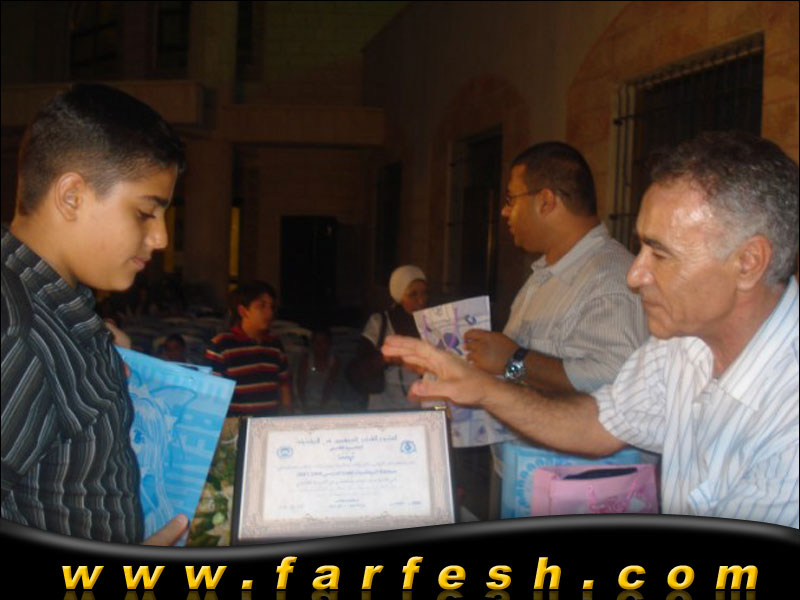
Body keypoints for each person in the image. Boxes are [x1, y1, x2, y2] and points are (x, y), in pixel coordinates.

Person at [384, 131, 799, 527]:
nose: (635, 275)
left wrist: (512, 365)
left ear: (748, 262)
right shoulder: (683, 344)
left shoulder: (789, 414)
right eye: (641, 247)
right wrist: (483, 389)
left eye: (660, 254)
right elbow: (599, 422)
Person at [1, 82, 188, 544]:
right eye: (145, 213)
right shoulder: (17, 333)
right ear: (72, 197)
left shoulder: (56, 312)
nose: (161, 238)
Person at [460, 141, 649, 518]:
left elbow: (614, 381)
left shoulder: (609, 279)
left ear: (546, 200)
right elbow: (520, 371)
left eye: (511, 199)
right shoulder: (546, 274)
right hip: (524, 472)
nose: (504, 211)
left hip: (578, 489)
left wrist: (513, 360)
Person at [205, 280, 291, 416]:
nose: (269, 313)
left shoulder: (275, 346)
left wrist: (286, 419)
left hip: (268, 425)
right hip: (235, 426)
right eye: (262, 306)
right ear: (243, 311)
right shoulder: (222, 345)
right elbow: (211, 397)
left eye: (272, 307)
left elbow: (284, 388)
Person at [358, 265, 428, 411]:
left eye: (424, 293)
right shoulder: (379, 323)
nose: (421, 301)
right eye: (413, 294)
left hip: (419, 409)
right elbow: (360, 364)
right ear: (399, 294)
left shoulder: (430, 324)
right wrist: (385, 358)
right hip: (384, 409)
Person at [296, 326, 340, 413]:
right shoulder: (306, 360)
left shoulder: (334, 361)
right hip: (306, 400)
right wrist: (305, 406)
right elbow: (300, 385)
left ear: (329, 343)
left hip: (328, 401)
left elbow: (329, 386)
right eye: (316, 342)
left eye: (323, 342)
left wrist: (322, 408)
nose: (319, 346)